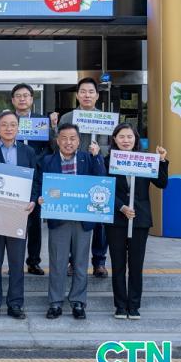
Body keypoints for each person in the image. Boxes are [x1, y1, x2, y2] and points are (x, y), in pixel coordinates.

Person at [38, 123, 106, 320]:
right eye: (64, 138)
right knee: (57, 263)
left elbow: (101, 180)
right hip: (59, 218)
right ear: (57, 140)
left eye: (73, 138)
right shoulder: (47, 160)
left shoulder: (88, 158)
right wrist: (41, 198)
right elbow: (40, 184)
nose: (68, 142)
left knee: (80, 263)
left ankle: (78, 302)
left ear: (79, 141)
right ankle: (55, 302)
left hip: (83, 219)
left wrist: (97, 156)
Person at [0, 111, 39, 320]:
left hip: (19, 214)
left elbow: (35, 180)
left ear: (18, 128)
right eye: (4, 124)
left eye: (13, 124)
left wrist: (33, 199)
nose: (8, 128)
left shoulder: (28, 151)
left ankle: (15, 304)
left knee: (16, 263)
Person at [106, 123, 168, 320]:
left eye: (129, 137)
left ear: (136, 139)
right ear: (114, 139)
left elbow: (162, 183)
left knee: (136, 265)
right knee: (118, 265)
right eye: (121, 137)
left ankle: (134, 306)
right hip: (116, 220)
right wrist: (121, 207)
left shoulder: (146, 160)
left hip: (140, 220)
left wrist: (162, 161)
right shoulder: (107, 161)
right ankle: (120, 306)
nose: (126, 140)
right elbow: (104, 189)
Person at [56, 77, 110, 278]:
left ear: (97, 95)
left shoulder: (105, 118)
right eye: (83, 92)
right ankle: (73, 261)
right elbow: (58, 143)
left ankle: (99, 261)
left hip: (97, 171)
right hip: (73, 173)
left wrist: (99, 150)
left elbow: (111, 145)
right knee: (74, 219)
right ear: (77, 95)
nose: (87, 95)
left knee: (99, 219)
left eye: (91, 92)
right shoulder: (67, 117)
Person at [10, 83, 57, 276]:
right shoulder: (8, 120)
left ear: (31, 99)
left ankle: (33, 261)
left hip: (36, 175)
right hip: (14, 176)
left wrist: (53, 127)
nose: (22, 99)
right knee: (14, 220)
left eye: (26, 95)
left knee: (35, 221)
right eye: (18, 96)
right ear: (13, 100)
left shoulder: (41, 121)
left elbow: (51, 148)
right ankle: (14, 262)